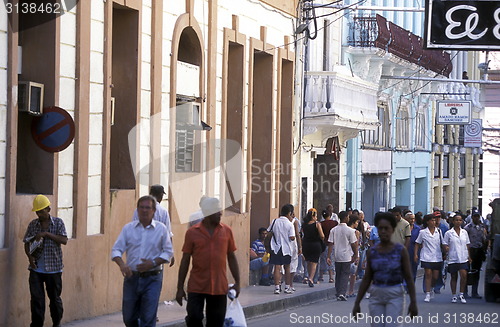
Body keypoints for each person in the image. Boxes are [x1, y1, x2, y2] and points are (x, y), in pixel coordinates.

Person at [176, 197, 240, 326]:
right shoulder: (192, 233)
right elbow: (185, 260)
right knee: (193, 317)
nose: (220, 213)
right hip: (197, 285)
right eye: (217, 210)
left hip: (219, 286)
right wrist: (179, 287)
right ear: (207, 212)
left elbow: (231, 257)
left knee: (216, 321)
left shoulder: (226, 231)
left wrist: (237, 282)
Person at [111, 195, 174, 327]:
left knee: (148, 316)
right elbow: (116, 250)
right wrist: (122, 265)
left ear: (153, 211)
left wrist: (153, 262)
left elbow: (168, 252)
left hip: (152, 278)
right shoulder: (128, 229)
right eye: (141, 207)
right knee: (129, 317)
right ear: (137, 210)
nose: (144, 211)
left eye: (148, 208)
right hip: (132, 278)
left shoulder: (161, 229)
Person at [352, 212, 418, 327]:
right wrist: (357, 303)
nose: (383, 231)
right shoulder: (372, 252)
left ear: (392, 229)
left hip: (395, 293)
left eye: (386, 228)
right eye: (380, 228)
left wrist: (413, 302)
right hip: (376, 293)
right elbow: (367, 278)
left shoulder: (400, 250)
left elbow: (408, 276)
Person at [23, 195, 68, 327]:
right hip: (36, 268)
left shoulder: (58, 223)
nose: (39, 214)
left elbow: (64, 240)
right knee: (37, 300)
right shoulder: (33, 225)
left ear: (48, 209)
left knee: (54, 300)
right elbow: (26, 243)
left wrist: (46, 234)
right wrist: (30, 259)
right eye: (37, 212)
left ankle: (56, 323)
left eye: (42, 211)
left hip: (54, 268)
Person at [132, 184, 175, 266]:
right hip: (156, 253)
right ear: (160, 196)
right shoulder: (163, 212)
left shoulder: (138, 210)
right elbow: (168, 234)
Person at [326, 211, 358, 301]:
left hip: (337, 255)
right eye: (348, 217)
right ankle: (342, 293)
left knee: (338, 275)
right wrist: (355, 254)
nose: (348, 219)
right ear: (345, 218)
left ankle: (338, 291)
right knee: (345, 274)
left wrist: (328, 256)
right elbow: (353, 244)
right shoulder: (350, 231)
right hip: (346, 255)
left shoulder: (334, 230)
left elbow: (330, 244)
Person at [266, 204, 296, 295]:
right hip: (286, 248)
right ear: (289, 213)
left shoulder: (274, 221)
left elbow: (269, 232)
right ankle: (287, 287)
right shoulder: (289, 224)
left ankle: (277, 288)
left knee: (277, 267)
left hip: (275, 248)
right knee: (287, 267)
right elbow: (292, 237)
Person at [414, 214, 444, 302]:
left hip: (437, 256)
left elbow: (443, 243)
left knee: (435, 276)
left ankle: (431, 288)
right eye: (432, 220)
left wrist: (446, 249)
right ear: (427, 222)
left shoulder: (439, 231)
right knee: (428, 274)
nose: (433, 222)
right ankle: (427, 293)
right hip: (426, 256)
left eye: (434, 220)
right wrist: (415, 254)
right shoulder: (423, 232)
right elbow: (417, 243)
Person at [443, 215, 471, 304]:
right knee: (454, 276)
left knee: (464, 275)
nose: (458, 222)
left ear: (462, 221)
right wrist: (446, 248)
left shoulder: (464, 232)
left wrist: (469, 256)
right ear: (453, 221)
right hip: (453, 257)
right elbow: (444, 244)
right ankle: (454, 295)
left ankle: (461, 294)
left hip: (463, 257)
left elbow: (467, 244)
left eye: (459, 220)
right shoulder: (448, 233)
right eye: (456, 220)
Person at [464, 211, 488, 299]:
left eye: (478, 217)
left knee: (476, 272)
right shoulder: (468, 228)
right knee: (467, 272)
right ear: (472, 217)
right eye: (475, 217)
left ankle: (475, 292)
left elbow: (484, 239)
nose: (476, 218)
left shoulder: (482, 227)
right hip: (470, 251)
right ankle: (464, 291)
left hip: (479, 251)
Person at [301, 208, 325, 287]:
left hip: (306, 244)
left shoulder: (304, 224)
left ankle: (308, 276)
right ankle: (311, 278)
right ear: (314, 216)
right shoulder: (317, 224)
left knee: (308, 261)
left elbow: (301, 234)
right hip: (315, 244)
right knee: (314, 262)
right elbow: (322, 235)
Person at [320, 209, 338, 283]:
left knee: (322, 260)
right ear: (330, 215)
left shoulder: (321, 224)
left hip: (323, 244)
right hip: (333, 243)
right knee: (331, 259)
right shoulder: (335, 223)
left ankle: (320, 275)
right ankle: (331, 277)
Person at [347, 215, 361, 297]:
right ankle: (351, 290)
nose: (357, 224)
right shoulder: (356, 232)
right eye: (357, 222)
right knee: (353, 274)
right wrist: (356, 255)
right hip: (354, 253)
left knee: (346, 273)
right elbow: (356, 244)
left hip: (347, 252)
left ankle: (345, 290)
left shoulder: (346, 230)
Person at [404, 212, 420, 281]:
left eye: (413, 219)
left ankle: (411, 284)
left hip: (414, 251)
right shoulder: (403, 228)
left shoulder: (418, 229)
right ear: (406, 219)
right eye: (410, 219)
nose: (412, 220)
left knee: (413, 269)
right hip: (405, 250)